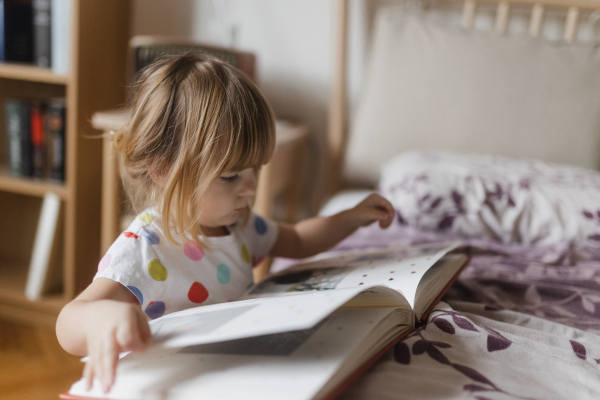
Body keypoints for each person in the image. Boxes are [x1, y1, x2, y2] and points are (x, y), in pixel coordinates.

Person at [55, 53, 395, 393]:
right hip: (176, 385)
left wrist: (351, 217)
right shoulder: (145, 245)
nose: (249, 190)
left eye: (255, 171)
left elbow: (299, 241)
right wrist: (102, 319)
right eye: (230, 177)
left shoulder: (240, 227)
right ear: (162, 171)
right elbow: (70, 321)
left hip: (235, 375)